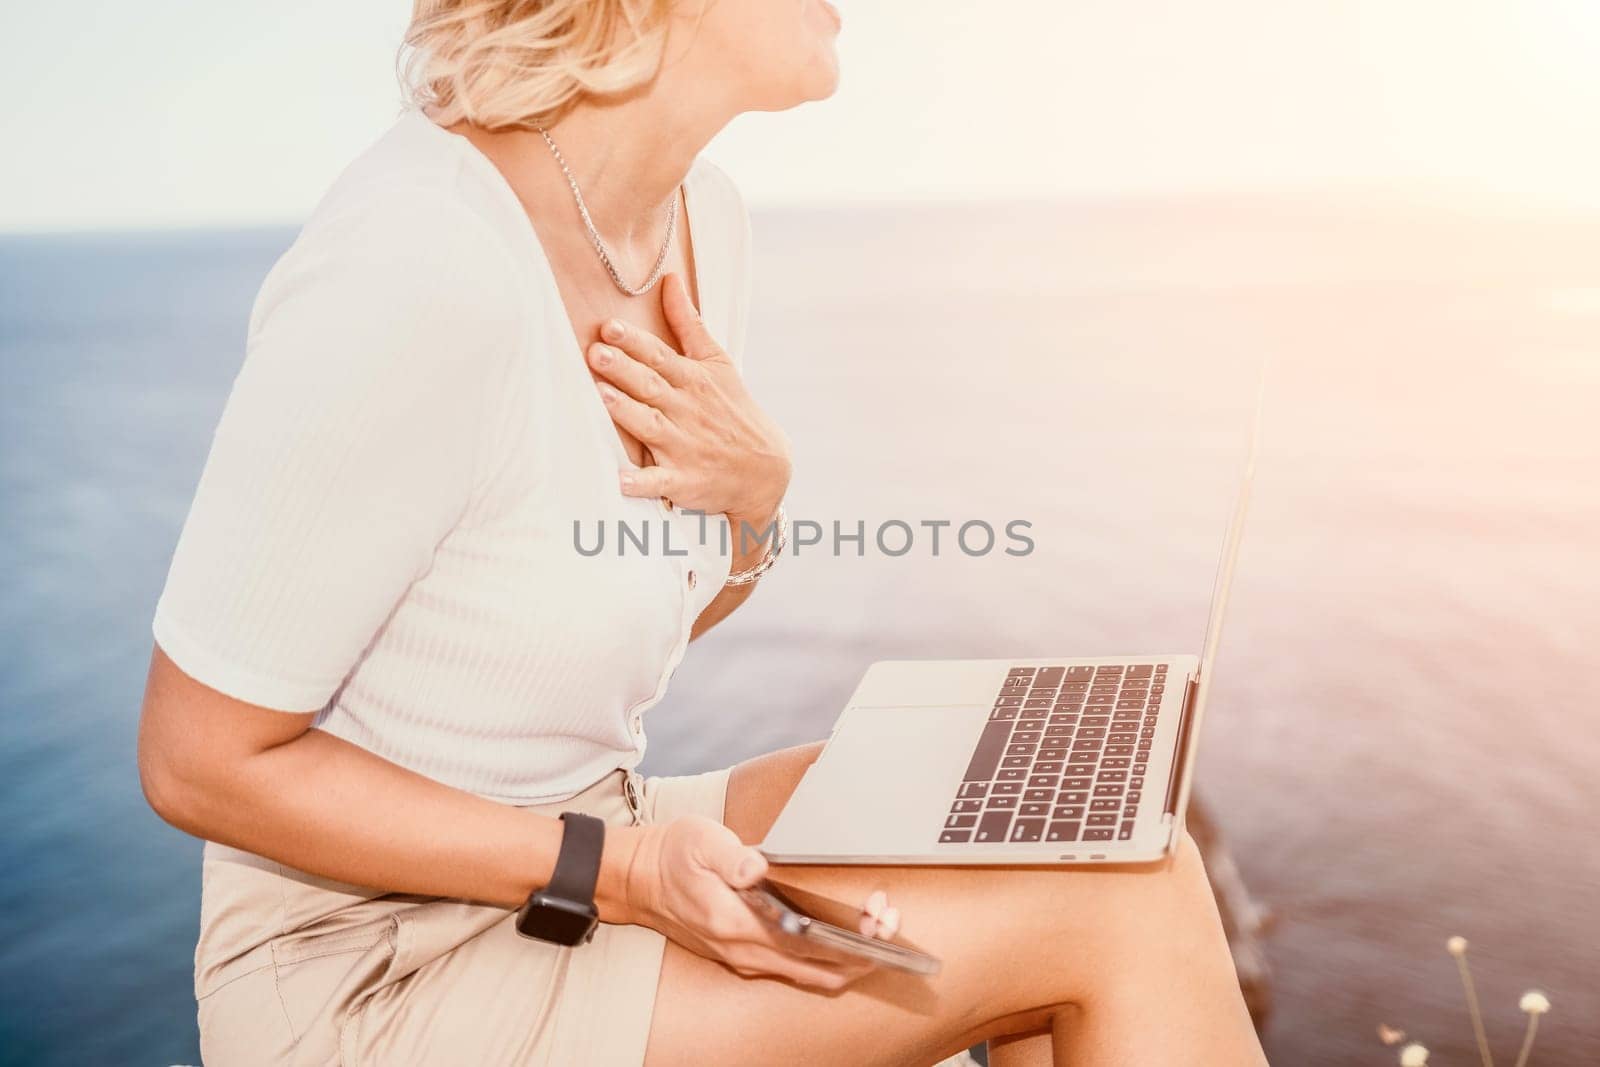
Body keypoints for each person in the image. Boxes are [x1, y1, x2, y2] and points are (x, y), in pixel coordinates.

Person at [137, 1, 1270, 1063]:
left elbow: (634, 596)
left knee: (1065, 817)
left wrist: (754, 505)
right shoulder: (418, 266)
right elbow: (199, 761)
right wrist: (623, 874)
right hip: (373, 962)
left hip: (585, 833)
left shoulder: (698, 221)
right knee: (1119, 895)